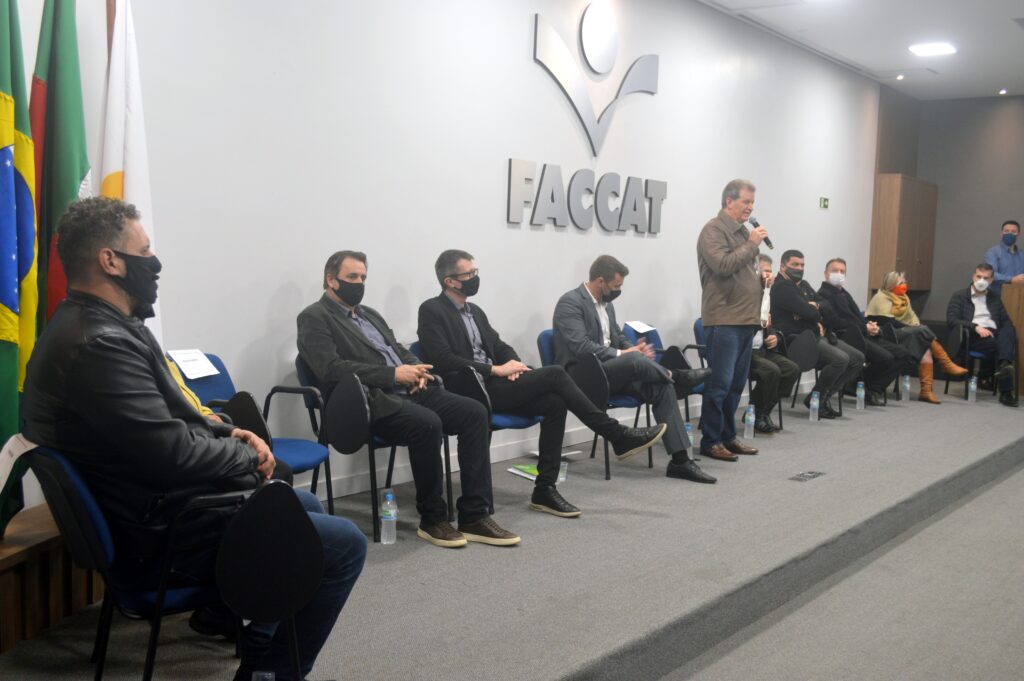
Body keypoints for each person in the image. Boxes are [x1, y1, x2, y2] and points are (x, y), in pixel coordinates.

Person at [21, 197, 366, 681]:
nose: (155, 263)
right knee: (345, 544)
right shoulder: (100, 344)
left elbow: (168, 415)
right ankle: (269, 672)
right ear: (110, 260)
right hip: (160, 536)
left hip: (151, 506)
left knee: (298, 505)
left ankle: (231, 620)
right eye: (145, 250)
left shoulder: (101, 325)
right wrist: (247, 456)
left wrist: (230, 431)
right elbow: (174, 453)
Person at [417, 250, 666, 517]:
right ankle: (617, 435)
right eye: (468, 274)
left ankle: (545, 490)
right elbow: (443, 359)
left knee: (554, 403)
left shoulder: (475, 311)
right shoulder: (431, 310)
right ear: (450, 281)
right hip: (470, 388)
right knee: (555, 374)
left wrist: (515, 365)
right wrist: (496, 369)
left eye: (475, 272)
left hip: (497, 383)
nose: (475, 278)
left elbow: (499, 345)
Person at [298, 250, 520, 548]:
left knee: (474, 412)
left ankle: (474, 515)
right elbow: (330, 369)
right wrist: (393, 375)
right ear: (331, 280)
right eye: (352, 277)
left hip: (412, 390)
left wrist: (417, 370)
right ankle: (433, 519)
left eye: (363, 277)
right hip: (372, 401)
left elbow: (399, 350)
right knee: (428, 423)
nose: (359, 283)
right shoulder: (314, 317)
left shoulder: (370, 314)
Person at [552, 255, 716, 482]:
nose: (619, 291)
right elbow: (581, 347)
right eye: (616, 286)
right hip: (583, 376)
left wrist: (633, 347)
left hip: (612, 373)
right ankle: (676, 375)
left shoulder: (606, 306)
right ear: (600, 281)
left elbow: (618, 336)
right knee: (635, 361)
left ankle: (680, 462)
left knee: (662, 387)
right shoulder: (569, 303)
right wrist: (626, 354)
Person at [695, 179, 766, 459]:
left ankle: (727, 436)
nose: (750, 208)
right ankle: (711, 441)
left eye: (752, 203)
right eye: (746, 202)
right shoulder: (713, 230)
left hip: (745, 320)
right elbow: (723, 266)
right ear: (729, 201)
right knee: (720, 385)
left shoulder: (743, 233)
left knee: (736, 385)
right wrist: (752, 245)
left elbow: (741, 272)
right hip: (724, 319)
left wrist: (762, 280)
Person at [769, 250, 865, 418]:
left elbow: (827, 308)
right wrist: (813, 311)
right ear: (782, 266)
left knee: (857, 358)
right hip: (797, 339)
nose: (799, 268)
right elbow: (810, 313)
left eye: (802, 265)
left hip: (815, 335)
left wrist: (817, 307)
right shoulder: (782, 286)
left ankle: (823, 396)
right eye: (794, 264)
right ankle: (817, 399)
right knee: (841, 359)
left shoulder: (803, 285)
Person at [816, 257, 908, 406]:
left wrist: (869, 325)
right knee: (886, 358)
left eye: (842, 271)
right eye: (835, 271)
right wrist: (864, 328)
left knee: (903, 354)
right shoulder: (823, 295)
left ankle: (867, 387)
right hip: (847, 337)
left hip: (863, 333)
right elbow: (836, 322)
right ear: (826, 274)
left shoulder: (844, 293)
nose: (839, 274)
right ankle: (865, 388)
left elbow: (856, 316)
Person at [866, 271, 967, 404]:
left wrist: (915, 326)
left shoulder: (904, 298)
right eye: (900, 283)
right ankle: (946, 363)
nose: (904, 285)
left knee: (925, 347)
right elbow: (888, 322)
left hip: (904, 333)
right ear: (891, 285)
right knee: (922, 332)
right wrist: (913, 328)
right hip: (887, 335)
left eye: (905, 282)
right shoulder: (881, 298)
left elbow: (912, 316)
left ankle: (926, 391)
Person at [946, 264, 1018, 407]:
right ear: (973, 276)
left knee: (1008, 331)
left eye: (985, 278)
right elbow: (952, 320)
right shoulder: (960, 296)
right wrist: (975, 327)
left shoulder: (994, 297)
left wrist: (1005, 331)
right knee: (1003, 347)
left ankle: (1004, 365)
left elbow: (1006, 321)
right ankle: (1006, 391)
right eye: (979, 276)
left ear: (991, 280)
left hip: (994, 333)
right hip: (972, 336)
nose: (981, 280)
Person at [748, 254, 800, 433]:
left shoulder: (767, 295)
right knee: (772, 371)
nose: (769, 275)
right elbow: (741, 328)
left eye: (770, 271)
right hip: (746, 352)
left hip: (763, 349)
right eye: (765, 271)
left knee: (792, 369)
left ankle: (762, 411)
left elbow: (773, 325)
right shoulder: (747, 295)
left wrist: (774, 335)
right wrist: (759, 323)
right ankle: (756, 414)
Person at [983, 220, 1024, 294]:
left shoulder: (1022, 255)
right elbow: (990, 274)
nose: (1010, 233)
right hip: (997, 296)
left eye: (1013, 231)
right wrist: (1011, 279)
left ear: (1018, 235)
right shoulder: (993, 252)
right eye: (1006, 231)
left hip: (1019, 295)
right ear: (1001, 234)